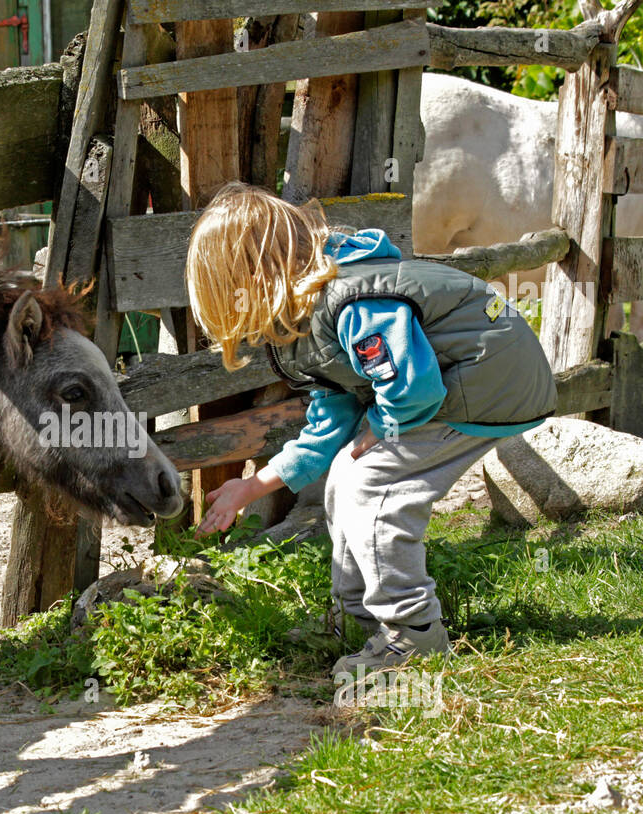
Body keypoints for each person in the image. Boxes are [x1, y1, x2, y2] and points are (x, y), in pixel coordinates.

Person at [184, 181, 556, 676]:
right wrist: (250, 487)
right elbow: (327, 426)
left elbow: (413, 388)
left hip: (486, 378)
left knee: (373, 486)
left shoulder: (353, 301)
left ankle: (413, 636)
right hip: (452, 383)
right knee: (343, 472)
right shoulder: (310, 315)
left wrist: (380, 426)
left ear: (254, 277)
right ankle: (357, 620)